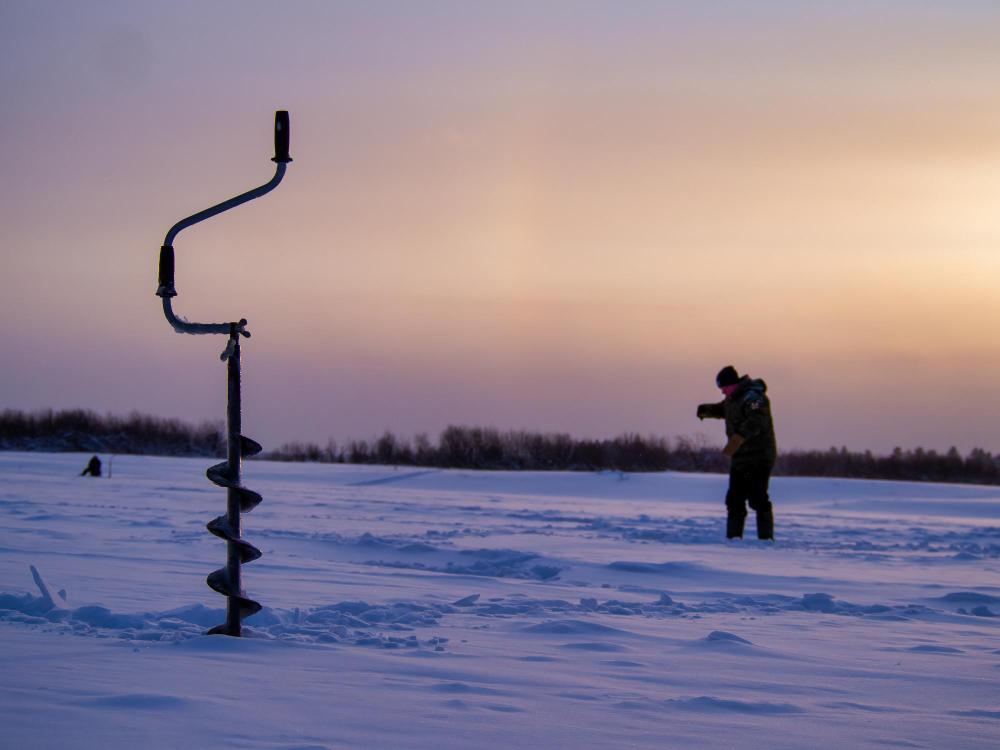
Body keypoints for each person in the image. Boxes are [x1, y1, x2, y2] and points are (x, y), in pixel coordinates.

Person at [697, 366, 776, 540]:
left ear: (733, 384)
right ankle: (733, 540)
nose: (723, 392)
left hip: (759, 457)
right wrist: (705, 410)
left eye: (724, 388)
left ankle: (766, 541)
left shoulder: (755, 398)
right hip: (740, 458)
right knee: (734, 500)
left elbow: (757, 421)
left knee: (757, 498)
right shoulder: (732, 399)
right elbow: (723, 409)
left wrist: (737, 439)